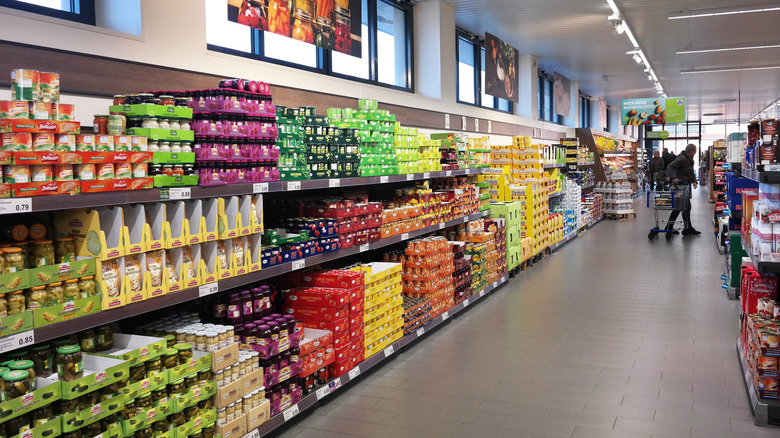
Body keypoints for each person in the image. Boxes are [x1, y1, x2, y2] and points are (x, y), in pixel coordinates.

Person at [665, 143, 700, 236]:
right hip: (680, 187)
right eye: (695, 151)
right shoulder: (682, 159)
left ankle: (687, 227)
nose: (695, 153)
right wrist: (673, 178)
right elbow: (670, 167)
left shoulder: (689, 160)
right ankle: (669, 227)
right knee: (679, 207)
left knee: (686, 207)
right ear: (691, 151)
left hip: (685, 186)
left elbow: (691, 172)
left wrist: (694, 181)